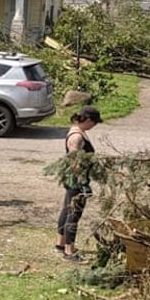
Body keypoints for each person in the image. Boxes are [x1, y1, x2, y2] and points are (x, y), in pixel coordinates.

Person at [55, 105, 102, 263]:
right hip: (77, 180)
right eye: (94, 123)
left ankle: (60, 243)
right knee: (74, 214)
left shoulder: (78, 131)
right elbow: (74, 161)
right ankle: (69, 251)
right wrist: (82, 182)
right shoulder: (77, 137)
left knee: (67, 209)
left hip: (76, 179)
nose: (94, 126)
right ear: (88, 120)